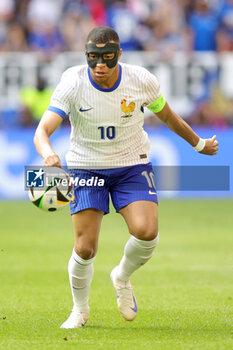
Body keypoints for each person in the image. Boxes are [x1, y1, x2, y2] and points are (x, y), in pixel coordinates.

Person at [33, 26, 219, 329]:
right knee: (85, 248)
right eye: (93, 58)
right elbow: (42, 131)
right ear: (86, 57)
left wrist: (198, 144)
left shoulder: (141, 80)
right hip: (85, 167)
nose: (100, 66)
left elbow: (168, 116)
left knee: (147, 231)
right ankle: (79, 311)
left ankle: (121, 276)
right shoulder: (72, 81)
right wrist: (48, 155)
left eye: (107, 58)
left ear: (119, 54)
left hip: (132, 165)